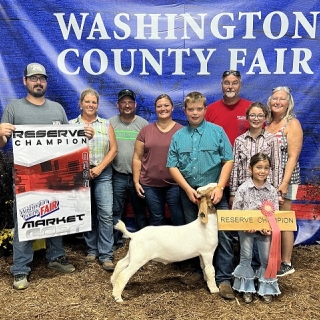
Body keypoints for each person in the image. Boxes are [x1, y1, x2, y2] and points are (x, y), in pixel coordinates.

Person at [0, 62, 93, 290]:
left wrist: (83, 137)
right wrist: (1, 134)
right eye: (33, 78)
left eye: (41, 78)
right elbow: (2, 144)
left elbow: (67, 142)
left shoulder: (57, 109)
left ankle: (56, 257)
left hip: (56, 175)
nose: (38, 82)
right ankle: (20, 269)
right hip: (25, 176)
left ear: (46, 82)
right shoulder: (13, 108)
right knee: (24, 219)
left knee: (57, 214)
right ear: (25, 81)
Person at [167, 91, 234, 299]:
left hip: (215, 194)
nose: (195, 113)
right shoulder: (178, 136)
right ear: (185, 111)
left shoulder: (217, 132)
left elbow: (228, 160)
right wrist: (187, 189)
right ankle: (201, 272)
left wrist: (220, 187)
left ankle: (223, 279)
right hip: (191, 195)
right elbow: (172, 166)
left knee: (222, 235)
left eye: (199, 109)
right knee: (195, 236)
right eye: (190, 109)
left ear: (205, 110)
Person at [69, 88, 117, 271]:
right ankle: (91, 249)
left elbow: (113, 150)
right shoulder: (71, 124)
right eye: (87, 101)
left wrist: (99, 168)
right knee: (87, 213)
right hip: (79, 173)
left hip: (102, 172)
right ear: (80, 103)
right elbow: (65, 151)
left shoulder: (106, 124)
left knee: (105, 213)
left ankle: (106, 254)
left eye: (94, 102)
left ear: (98, 104)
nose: (90, 105)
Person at [232, 152, 281, 304]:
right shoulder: (243, 189)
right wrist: (246, 225)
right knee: (246, 257)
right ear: (250, 168)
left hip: (265, 231)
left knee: (266, 259)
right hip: (247, 231)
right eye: (259, 167)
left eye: (266, 168)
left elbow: (276, 213)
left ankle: (265, 288)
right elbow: (236, 211)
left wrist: (270, 228)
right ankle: (247, 289)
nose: (262, 171)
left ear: (269, 170)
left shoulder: (272, 190)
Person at [265, 86, 303, 277]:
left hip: (286, 180)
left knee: (285, 218)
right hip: (268, 181)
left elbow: (292, 157)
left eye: (282, 99)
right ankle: (272, 258)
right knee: (271, 218)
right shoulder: (267, 124)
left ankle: (286, 262)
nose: (277, 102)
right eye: (274, 99)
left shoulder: (292, 124)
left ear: (288, 103)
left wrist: (285, 182)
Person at [132, 94, 184, 226]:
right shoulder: (145, 131)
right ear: (155, 109)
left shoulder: (181, 131)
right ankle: (159, 247)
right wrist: (136, 182)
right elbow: (137, 158)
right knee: (156, 220)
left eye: (166, 105)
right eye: (159, 106)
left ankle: (177, 247)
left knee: (178, 219)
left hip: (175, 185)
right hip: (150, 185)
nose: (163, 108)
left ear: (172, 108)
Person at [109, 89, 148, 249]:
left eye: (130, 102)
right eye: (123, 102)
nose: (127, 105)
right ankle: (115, 242)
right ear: (118, 105)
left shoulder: (143, 124)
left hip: (138, 177)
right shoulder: (110, 123)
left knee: (140, 211)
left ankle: (143, 244)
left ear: (135, 105)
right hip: (117, 175)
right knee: (116, 210)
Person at [229, 102, 283, 207]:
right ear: (247, 117)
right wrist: (233, 192)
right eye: (252, 115)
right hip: (244, 189)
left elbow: (277, 166)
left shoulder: (272, 140)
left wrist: (277, 192)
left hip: (266, 189)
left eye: (260, 116)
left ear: (265, 118)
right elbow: (235, 168)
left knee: (266, 218)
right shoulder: (239, 141)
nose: (256, 119)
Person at [205, 70, 252, 146]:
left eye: (235, 83)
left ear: (240, 85)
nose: (230, 87)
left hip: (245, 156)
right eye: (226, 83)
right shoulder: (210, 110)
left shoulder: (251, 108)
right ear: (221, 85)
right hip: (218, 156)